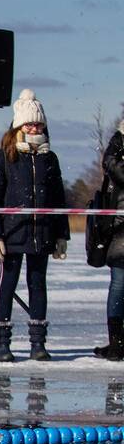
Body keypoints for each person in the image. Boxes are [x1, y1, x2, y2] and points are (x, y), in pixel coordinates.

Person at [0, 89, 68, 362]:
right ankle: (2, 344)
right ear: (19, 125)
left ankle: (37, 344)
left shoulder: (49, 158)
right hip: (12, 234)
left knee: (37, 284)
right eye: (30, 123)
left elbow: (58, 199)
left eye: (38, 123)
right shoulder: (5, 156)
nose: (35, 127)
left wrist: (61, 235)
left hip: (41, 233)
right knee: (7, 283)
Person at [91, 119, 124, 360]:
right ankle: (116, 342)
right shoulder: (118, 141)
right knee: (119, 283)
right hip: (120, 226)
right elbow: (112, 165)